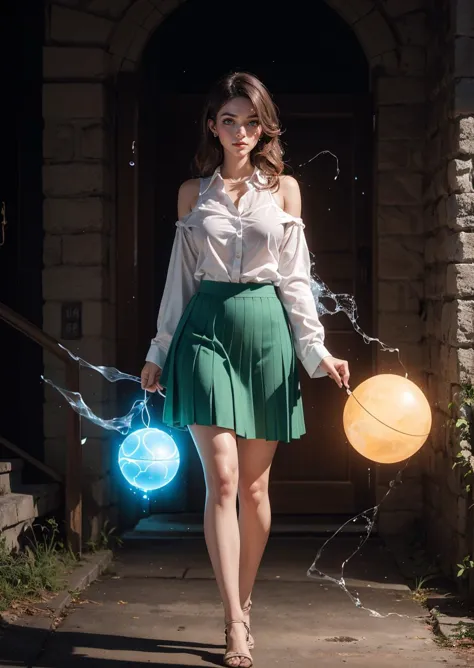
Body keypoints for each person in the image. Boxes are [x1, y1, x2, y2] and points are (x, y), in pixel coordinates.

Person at [141, 71, 350, 668]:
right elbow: (179, 281)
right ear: (212, 125)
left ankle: (244, 599)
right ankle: (234, 621)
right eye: (228, 120)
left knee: (255, 490)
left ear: (264, 128)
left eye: (250, 121)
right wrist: (159, 350)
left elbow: (296, 280)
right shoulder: (192, 193)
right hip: (204, 330)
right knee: (224, 481)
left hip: (265, 334)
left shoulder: (285, 191)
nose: (239, 131)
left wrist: (317, 352)